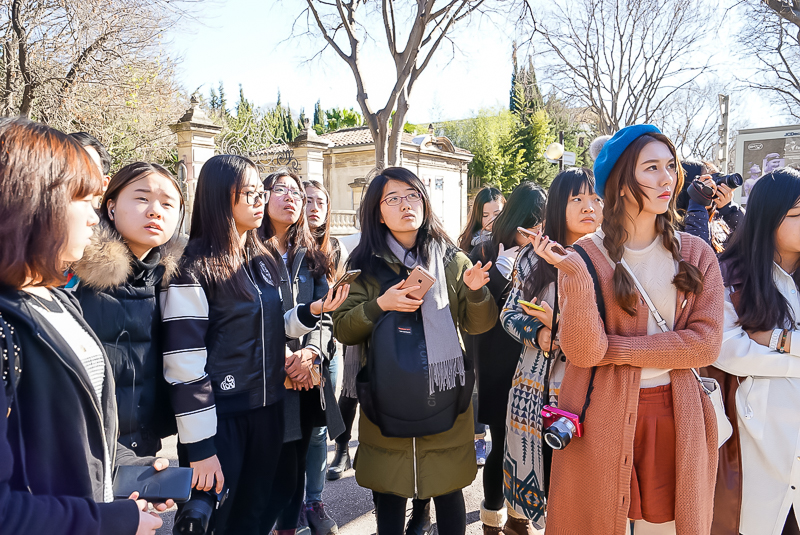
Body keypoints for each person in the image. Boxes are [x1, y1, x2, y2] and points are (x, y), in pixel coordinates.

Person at [532, 125, 724, 535]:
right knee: (599, 521)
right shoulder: (584, 255)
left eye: (670, 166)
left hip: (677, 412)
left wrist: (614, 349)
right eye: (651, 167)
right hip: (601, 414)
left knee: (667, 526)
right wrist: (575, 277)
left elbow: (706, 345)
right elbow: (584, 353)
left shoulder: (696, 253)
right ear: (620, 183)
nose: (667, 178)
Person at [161, 155, 348, 535]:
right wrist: (200, 447)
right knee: (221, 521)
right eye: (250, 193)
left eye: (260, 192)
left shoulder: (262, 260)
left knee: (260, 512)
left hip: (268, 410)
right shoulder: (192, 268)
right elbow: (183, 366)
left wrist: (311, 311)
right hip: (223, 417)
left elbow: (268, 325)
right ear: (220, 196)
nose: (260, 200)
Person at [0, 116, 170, 535]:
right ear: (36, 202)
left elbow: (74, 433)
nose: (95, 219)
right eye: (84, 201)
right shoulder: (6, 327)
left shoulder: (56, 299)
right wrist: (110, 521)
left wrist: (131, 468)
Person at [333, 166, 497, 535]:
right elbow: (343, 328)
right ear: (378, 213)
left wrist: (475, 292)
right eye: (393, 198)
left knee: (449, 492)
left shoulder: (452, 260)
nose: (405, 204)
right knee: (389, 497)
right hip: (386, 396)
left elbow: (479, 325)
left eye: (412, 195)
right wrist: (382, 304)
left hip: (444, 395)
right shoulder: (363, 265)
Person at [500, 168, 602, 530]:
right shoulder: (533, 257)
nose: (589, 207)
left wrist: (562, 327)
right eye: (577, 199)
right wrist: (540, 334)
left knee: (582, 493)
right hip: (534, 388)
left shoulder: (612, 258)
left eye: (596, 199)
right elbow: (509, 314)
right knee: (537, 475)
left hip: (590, 391)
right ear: (558, 206)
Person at [69, 162, 184, 457]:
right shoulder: (75, 271)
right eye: (142, 198)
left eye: (167, 204)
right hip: (82, 446)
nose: (155, 211)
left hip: (143, 445)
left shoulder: (175, 283)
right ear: (110, 207)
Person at [712, 167, 800, 535]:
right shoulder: (732, 274)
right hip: (755, 438)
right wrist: (792, 359)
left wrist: (778, 340)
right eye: (797, 214)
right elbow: (727, 349)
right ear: (768, 217)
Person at [259, 171, 345, 535]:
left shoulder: (312, 255)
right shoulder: (246, 250)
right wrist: (280, 357)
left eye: (297, 191)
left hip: (306, 373)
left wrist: (311, 352)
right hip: (262, 374)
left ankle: (303, 512)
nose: (292, 197)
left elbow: (324, 314)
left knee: (300, 456)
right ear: (261, 196)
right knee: (264, 467)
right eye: (281, 189)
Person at [468, 181, 547, 535]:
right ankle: (492, 517)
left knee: (527, 443)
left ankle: (519, 515)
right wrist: (501, 272)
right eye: (533, 223)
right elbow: (477, 308)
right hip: (497, 357)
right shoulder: (486, 248)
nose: (538, 230)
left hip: (532, 357)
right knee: (501, 441)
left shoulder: (544, 251)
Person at [301, 179, 345, 535]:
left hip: (327, 351)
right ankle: (290, 505)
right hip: (294, 349)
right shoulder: (282, 247)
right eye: (308, 200)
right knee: (291, 431)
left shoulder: (335, 248)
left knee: (318, 430)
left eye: (321, 201)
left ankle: (313, 501)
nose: (315, 207)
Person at [457, 185, 505, 467]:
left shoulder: (512, 242)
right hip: (475, 323)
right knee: (475, 381)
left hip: (502, 325)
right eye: (485, 215)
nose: (490, 220)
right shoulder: (469, 246)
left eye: (496, 213)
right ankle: (477, 437)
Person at [677, 159, 743, 253]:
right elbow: (698, 256)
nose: (714, 188)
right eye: (707, 182)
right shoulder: (670, 229)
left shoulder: (720, 224)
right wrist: (697, 203)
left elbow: (752, 241)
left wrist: (730, 210)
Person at [457, 186, 505, 252]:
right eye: (485, 215)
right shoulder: (469, 241)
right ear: (477, 216)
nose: (491, 220)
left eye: (497, 214)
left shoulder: (511, 238)